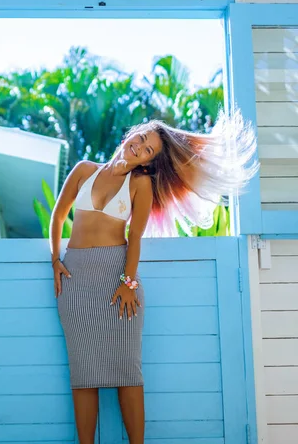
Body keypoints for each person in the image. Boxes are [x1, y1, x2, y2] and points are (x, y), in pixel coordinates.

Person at [49, 110, 258, 444]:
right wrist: (55, 260)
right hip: (75, 281)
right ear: (133, 133)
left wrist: (128, 282)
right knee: (83, 373)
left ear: (150, 162)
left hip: (117, 283)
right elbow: (59, 217)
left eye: (148, 151)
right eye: (142, 139)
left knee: (128, 373)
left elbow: (135, 239)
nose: (140, 148)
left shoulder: (140, 184)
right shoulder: (83, 170)